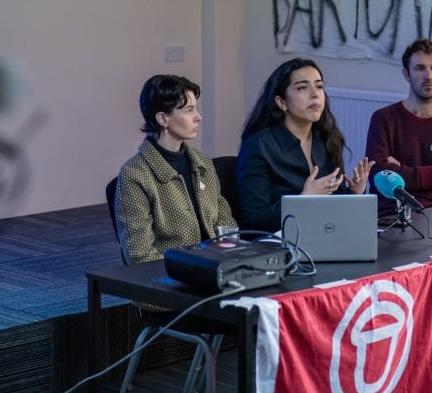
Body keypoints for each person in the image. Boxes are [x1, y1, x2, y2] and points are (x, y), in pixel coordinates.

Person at [237, 58, 373, 232]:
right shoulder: (259, 146)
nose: (314, 94)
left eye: (319, 86)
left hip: (324, 233)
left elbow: (332, 201)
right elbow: (254, 216)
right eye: (302, 87)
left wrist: (354, 194)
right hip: (280, 243)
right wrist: (304, 200)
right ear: (281, 102)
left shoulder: (327, 139)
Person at [114, 74, 235, 265]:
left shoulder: (202, 163)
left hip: (217, 270)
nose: (198, 117)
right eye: (189, 110)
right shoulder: (135, 174)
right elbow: (140, 255)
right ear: (163, 118)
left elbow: (225, 224)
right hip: (171, 280)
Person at [365, 38, 432, 212]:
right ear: (406, 74)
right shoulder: (383, 119)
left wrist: (400, 172)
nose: (428, 76)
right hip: (391, 216)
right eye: (419, 68)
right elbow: (379, 176)